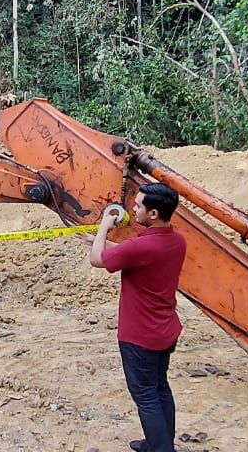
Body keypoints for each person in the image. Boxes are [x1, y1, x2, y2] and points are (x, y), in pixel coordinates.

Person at [82, 183, 187, 452]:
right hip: (165, 330)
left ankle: (161, 449)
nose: (134, 209)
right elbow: (139, 254)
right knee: (160, 387)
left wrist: (104, 227)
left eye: (139, 206)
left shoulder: (141, 247)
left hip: (140, 335)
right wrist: (104, 244)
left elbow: (97, 260)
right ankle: (158, 442)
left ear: (153, 214)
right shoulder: (176, 241)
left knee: (145, 396)